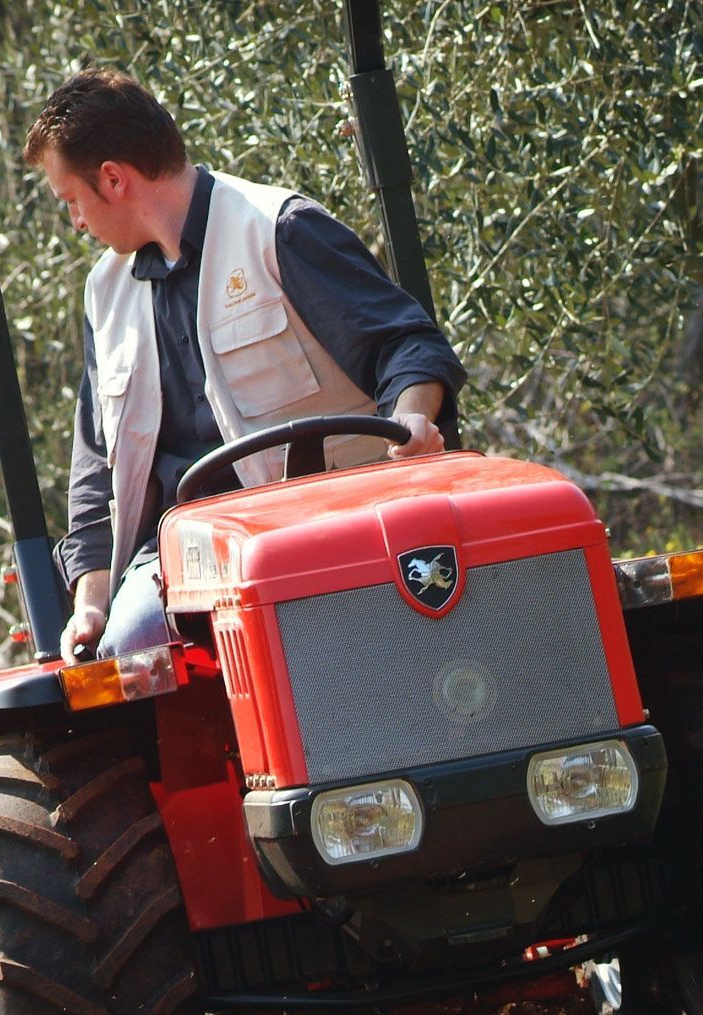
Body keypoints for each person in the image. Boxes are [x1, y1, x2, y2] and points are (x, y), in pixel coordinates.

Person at [25, 68, 467, 663]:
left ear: (112, 179)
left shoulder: (277, 231)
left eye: (72, 201)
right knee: (127, 645)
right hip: (184, 566)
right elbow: (95, 473)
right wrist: (91, 604)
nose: (76, 221)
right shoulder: (106, 296)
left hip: (323, 532)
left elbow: (408, 346)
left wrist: (412, 422)